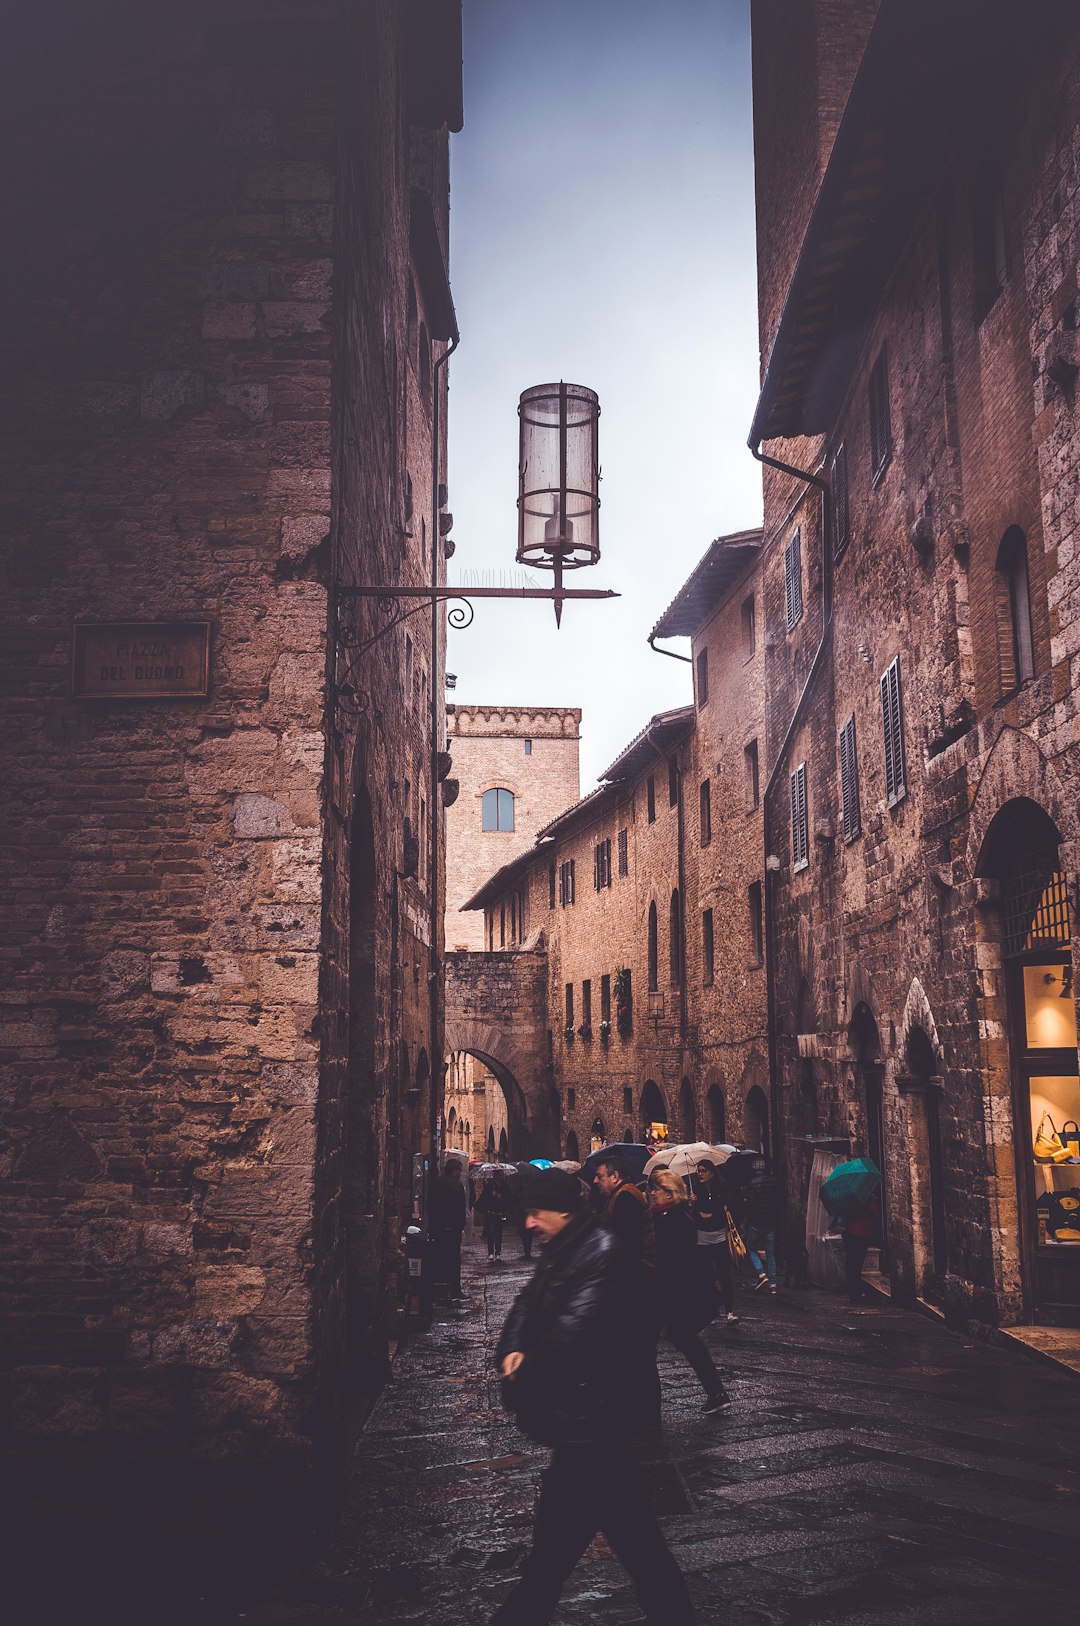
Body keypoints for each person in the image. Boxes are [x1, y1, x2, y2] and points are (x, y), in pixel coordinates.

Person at [491, 1168, 697, 1626]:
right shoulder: (563, 1248)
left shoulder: (601, 1253)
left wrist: (523, 1369)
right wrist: (512, 1347)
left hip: (592, 1423)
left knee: (573, 1552)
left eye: (535, 1214)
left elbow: (570, 1338)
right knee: (626, 1543)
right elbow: (527, 1304)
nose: (527, 1225)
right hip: (586, 1430)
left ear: (562, 1212)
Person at [647, 1170, 731, 1413]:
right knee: (684, 1339)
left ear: (670, 1193)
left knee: (680, 1338)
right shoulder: (671, 1215)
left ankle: (716, 1392)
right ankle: (716, 1392)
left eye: (657, 1189)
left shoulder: (671, 1219)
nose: (652, 1193)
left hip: (679, 1293)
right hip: (678, 1292)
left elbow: (671, 1259)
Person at [593, 1153, 660, 1428]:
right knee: (635, 1354)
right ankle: (640, 1415)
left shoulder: (625, 1200)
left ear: (615, 1177)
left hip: (636, 1287)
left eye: (600, 1176)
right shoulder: (621, 1198)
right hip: (635, 1284)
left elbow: (625, 1245)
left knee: (639, 1355)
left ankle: (646, 1420)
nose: (596, 1181)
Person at [690, 1159, 738, 1323]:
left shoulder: (721, 1190)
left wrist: (711, 1214)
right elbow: (695, 1217)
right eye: (698, 1171)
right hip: (702, 1238)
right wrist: (692, 1205)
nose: (700, 1174)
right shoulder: (695, 1192)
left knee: (724, 1275)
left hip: (719, 1237)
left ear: (711, 1173)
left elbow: (728, 1209)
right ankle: (710, 1309)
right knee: (705, 1276)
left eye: (703, 1171)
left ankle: (729, 1312)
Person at [428, 1157, 466, 1300]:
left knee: (439, 1257)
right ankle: (455, 1290)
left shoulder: (436, 1182)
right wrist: (460, 1226)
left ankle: (438, 1290)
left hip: (437, 1228)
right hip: (452, 1229)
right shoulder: (456, 1185)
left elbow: (430, 1205)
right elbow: (459, 1207)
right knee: (454, 1260)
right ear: (455, 1170)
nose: (459, 1173)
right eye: (459, 1170)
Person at [744, 1156, 782, 1294]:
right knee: (770, 1253)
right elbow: (779, 1201)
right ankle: (773, 1285)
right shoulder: (775, 1182)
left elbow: (751, 1204)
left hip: (756, 1221)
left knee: (751, 1248)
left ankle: (761, 1273)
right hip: (770, 1222)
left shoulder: (752, 1183)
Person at [840, 1191, 881, 1303]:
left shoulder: (847, 1198)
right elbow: (875, 1212)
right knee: (857, 1263)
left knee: (851, 1263)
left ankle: (853, 1291)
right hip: (861, 1233)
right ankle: (856, 1292)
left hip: (849, 1233)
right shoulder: (865, 1197)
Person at [476, 1172, 511, 1260]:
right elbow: (484, 1197)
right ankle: (491, 1252)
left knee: (499, 1233)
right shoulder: (490, 1185)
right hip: (490, 1212)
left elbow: (509, 1199)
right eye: (500, 1175)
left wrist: (501, 1197)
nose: (501, 1177)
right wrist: (491, 1195)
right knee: (491, 1232)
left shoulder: (505, 1186)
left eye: (502, 1175)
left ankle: (498, 1253)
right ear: (495, 1176)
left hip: (500, 1213)